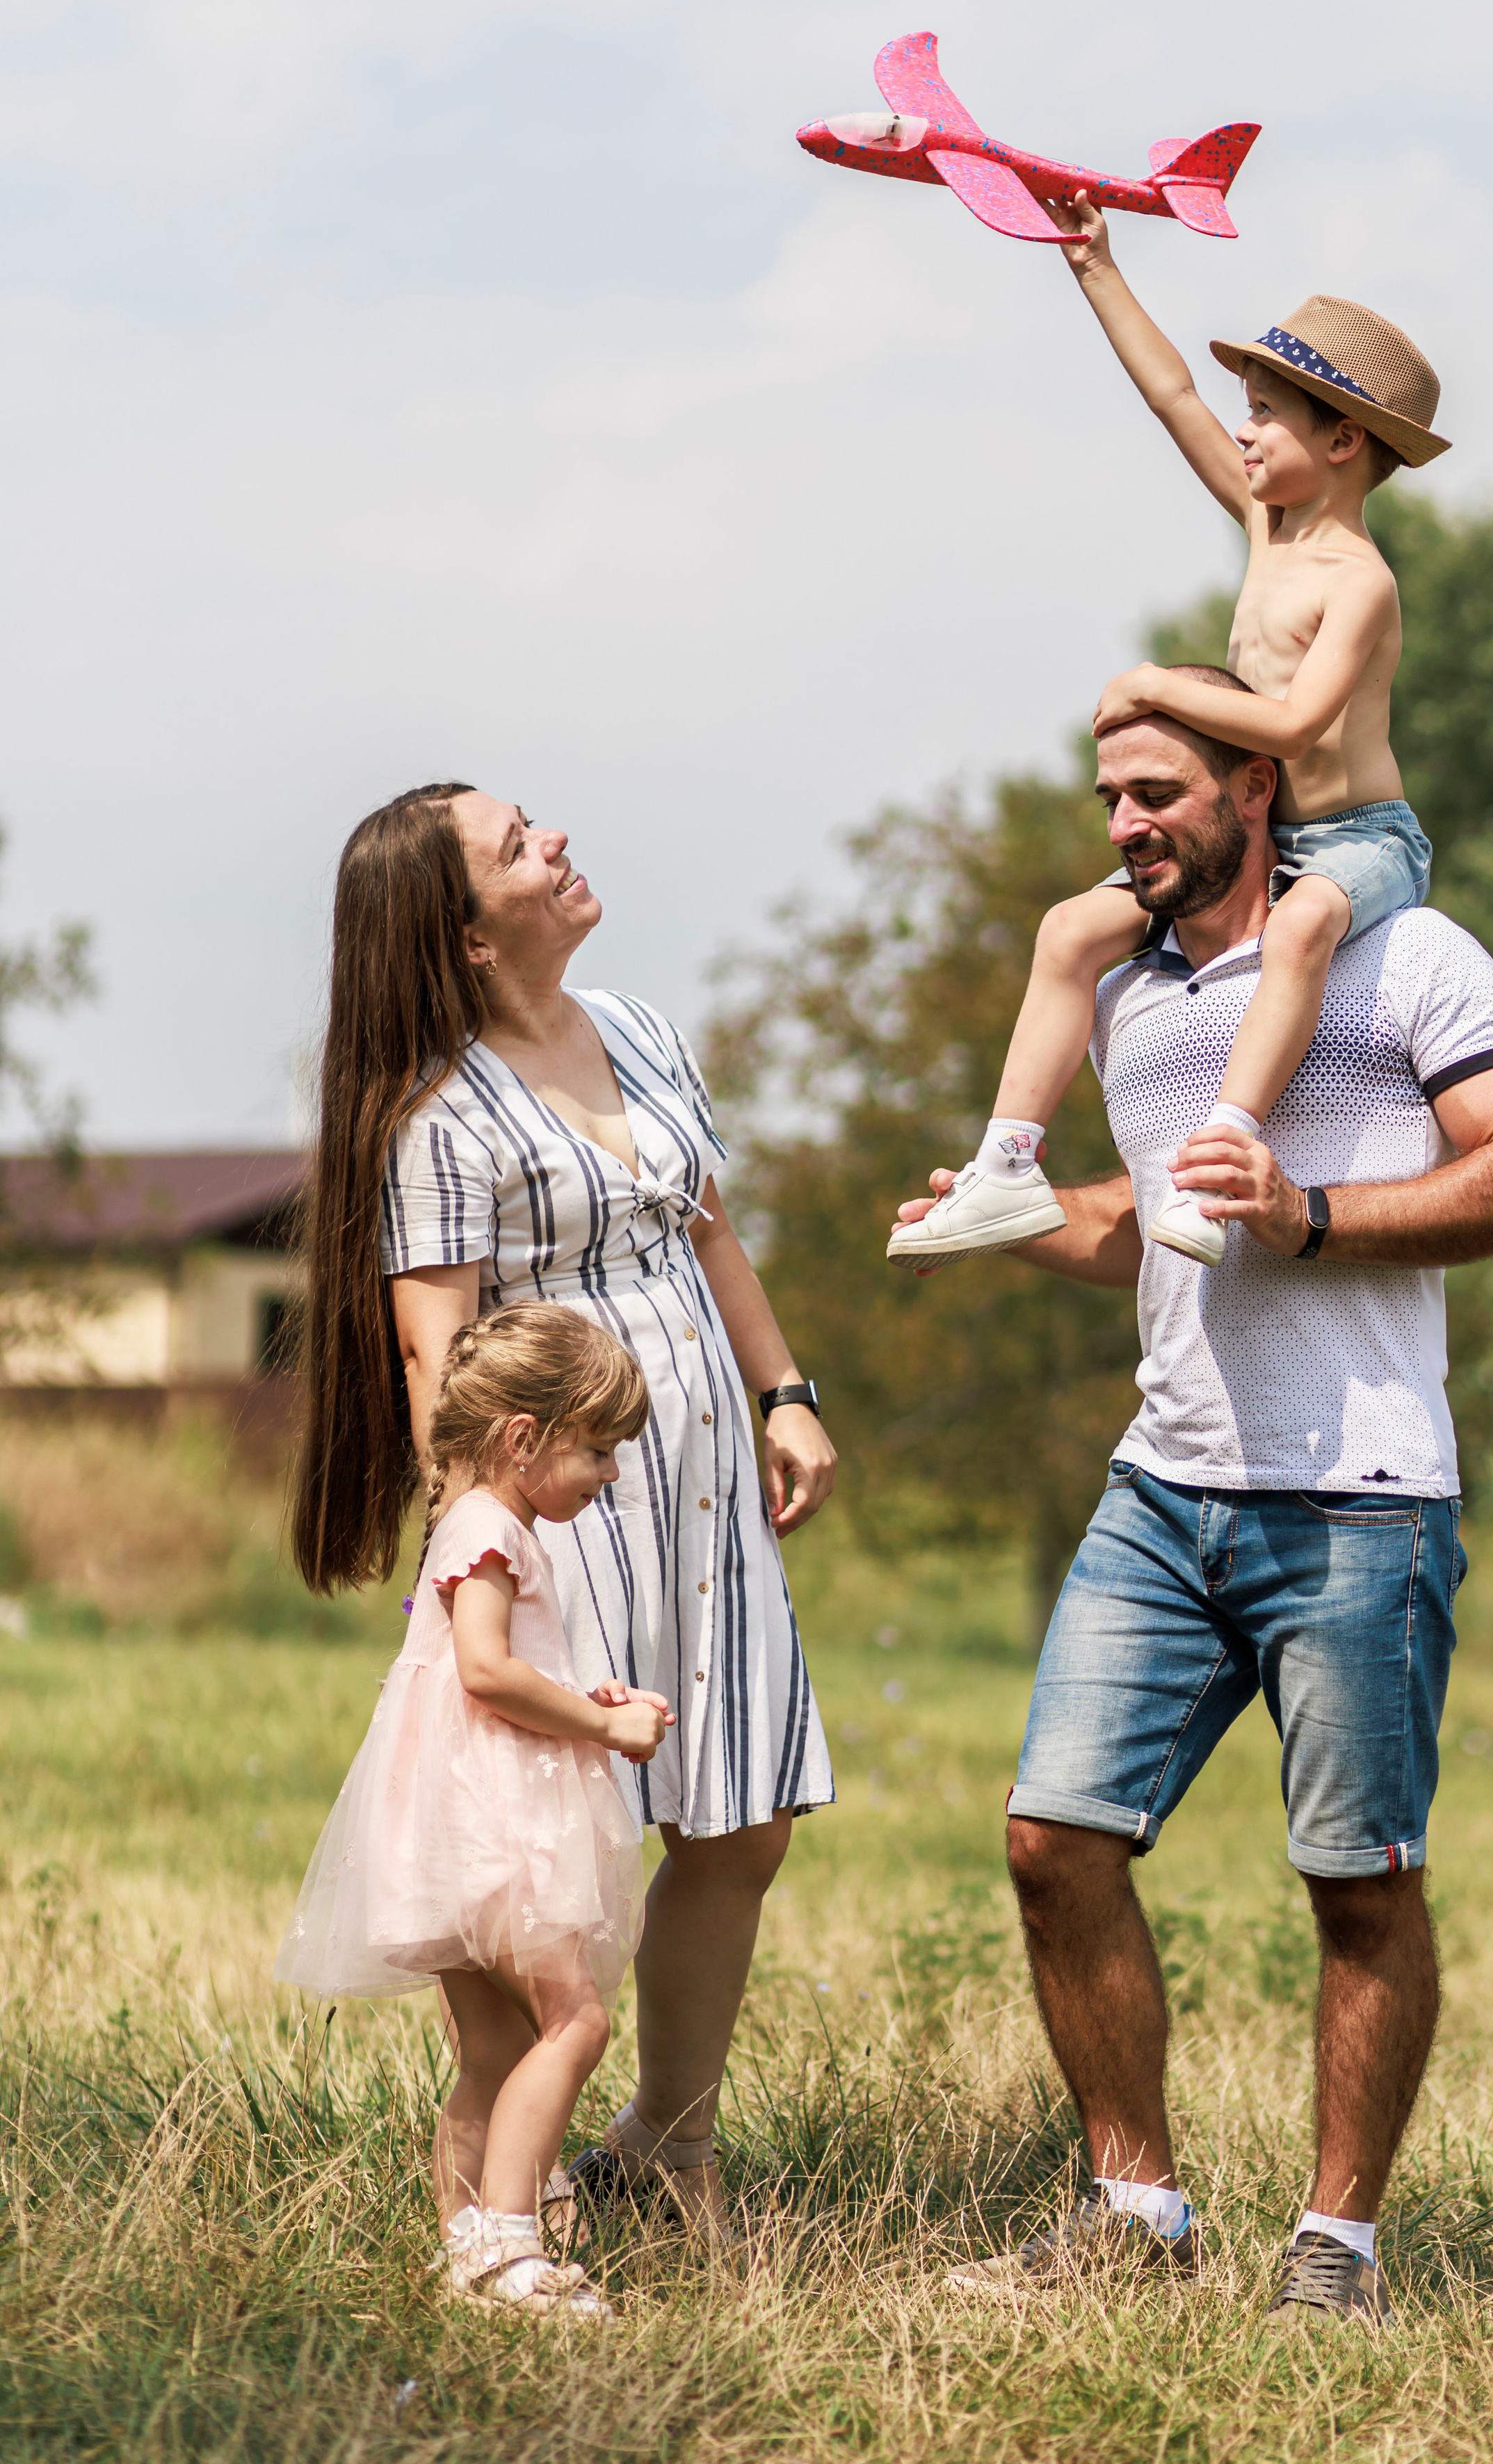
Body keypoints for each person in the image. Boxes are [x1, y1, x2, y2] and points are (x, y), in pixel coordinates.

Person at [896, 691, 1493, 2325]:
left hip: (1356, 1501)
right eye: (1107, 800)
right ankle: (1131, 2208)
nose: (1125, 824)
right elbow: (1152, 1218)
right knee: (1053, 1843)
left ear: (1253, 790)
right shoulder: (1128, 997)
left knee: (1354, 1884)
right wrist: (1011, 1217)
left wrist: (1313, 1210)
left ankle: (1332, 2248)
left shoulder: (1406, 960)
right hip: (1163, 1485)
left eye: (1155, 794)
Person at [293, 782, 837, 2250]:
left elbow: (710, 1230)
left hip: (706, 1491)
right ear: (466, 938)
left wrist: (785, 1388)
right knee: (563, 1847)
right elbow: (436, 1354)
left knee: (744, 1810)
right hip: (566, 1515)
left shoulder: (646, 1030)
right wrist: (486, 1546)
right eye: (519, 844)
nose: (559, 843)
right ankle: (503, 2198)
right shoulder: (438, 1118)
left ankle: (667, 2134)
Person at [888, 214, 1451, 1278]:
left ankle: (1227, 1145)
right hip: (1260, 832)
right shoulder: (1267, 528)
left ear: (1341, 442)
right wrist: (1094, 265)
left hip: (1357, 840)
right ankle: (1007, 1163)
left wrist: (1154, 684)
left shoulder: (1357, 581)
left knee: (1301, 932)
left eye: (1269, 419)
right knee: (1068, 930)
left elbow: (1291, 729)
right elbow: (1172, 397)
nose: (1245, 437)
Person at [277, 1302, 666, 2320]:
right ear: (523, 1437)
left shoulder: (474, 1521)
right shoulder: (491, 1529)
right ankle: (513, 2237)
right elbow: (489, 1674)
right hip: (498, 1829)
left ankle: (470, 2251)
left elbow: (484, 1672)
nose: (611, 1474)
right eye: (599, 1451)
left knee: (495, 2056)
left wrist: (593, 1700)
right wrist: (600, 1723)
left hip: (455, 1832)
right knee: (575, 2022)